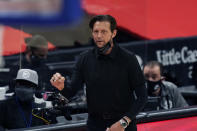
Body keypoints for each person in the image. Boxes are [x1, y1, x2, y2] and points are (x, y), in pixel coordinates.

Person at [50, 15, 147, 131]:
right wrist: (61, 87)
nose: (99, 36)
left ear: (113, 33)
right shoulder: (84, 59)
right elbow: (71, 91)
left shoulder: (128, 59)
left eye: (104, 32)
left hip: (123, 125)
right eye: (96, 32)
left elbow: (142, 96)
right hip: (95, 125)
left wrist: (124, 122)